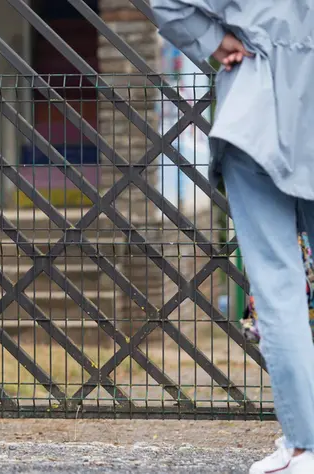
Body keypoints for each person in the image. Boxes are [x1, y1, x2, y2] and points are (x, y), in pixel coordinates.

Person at [152, 1, 314, 472]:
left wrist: (213, 40)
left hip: (257, 109)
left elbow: (168, 3)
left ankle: (305, 445)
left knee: (278, 288)